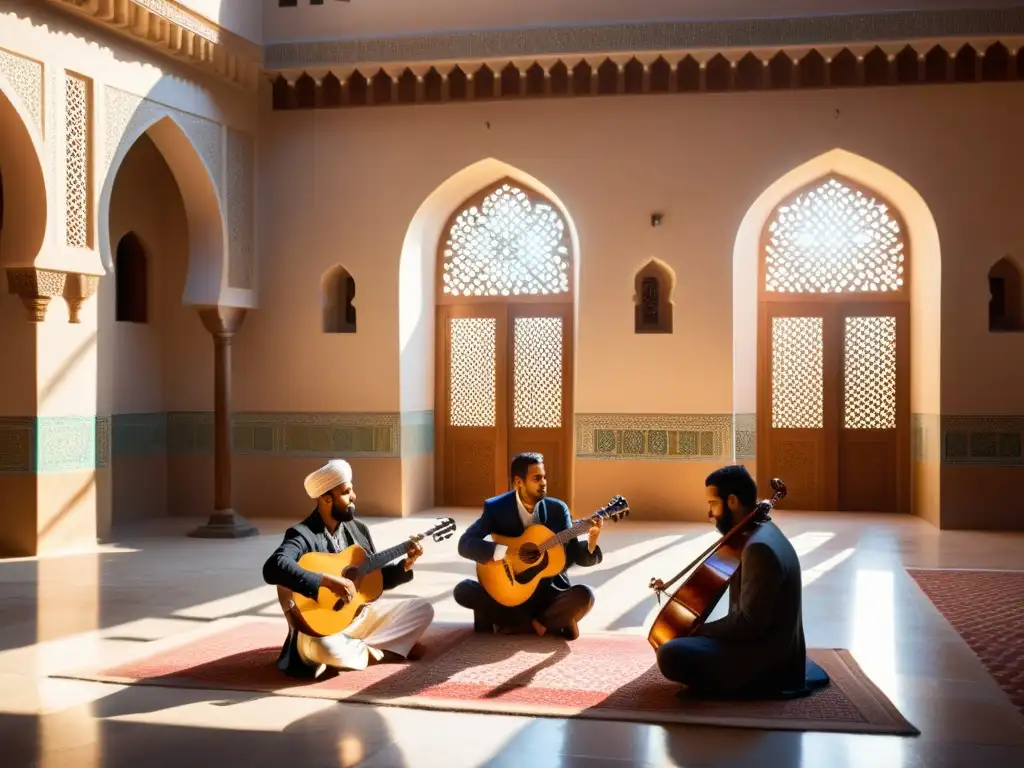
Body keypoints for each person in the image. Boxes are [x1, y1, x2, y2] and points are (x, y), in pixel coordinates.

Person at [654, 465, 829, 698]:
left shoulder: (758, 548)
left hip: (768, 664)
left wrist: (699, 631)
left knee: (671, 654)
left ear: (733, 501)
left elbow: (749, 624)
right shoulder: (761, 531)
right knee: (681, 647)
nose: (709, 514)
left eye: (712, 504)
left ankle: (741, 686)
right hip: (766, 646)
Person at [262, 459, 434, 677]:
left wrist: (405, 565)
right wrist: (327, 581)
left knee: (422, 609)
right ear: (326, 499)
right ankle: (381, 651)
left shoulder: (358, 529)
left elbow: (372, 582)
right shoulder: (302, 535)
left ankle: (362, 650)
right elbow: (274, 567)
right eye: (346, 492)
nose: (353, 498)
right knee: (326, 648)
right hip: (319, 630)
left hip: (359, 618)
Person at [453, 452, 603, 640]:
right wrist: (504, 552)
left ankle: (520, 623)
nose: (544, 483)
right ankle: (543, 624)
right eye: (537, 478)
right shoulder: (497, 508)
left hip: (549, 593)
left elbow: (571, 555)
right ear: (518, 482)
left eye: (544, 477)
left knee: (585, 595)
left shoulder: (558, 509)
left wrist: (592, 541)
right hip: (508, 590)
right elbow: (465, 543)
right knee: (463, 590)